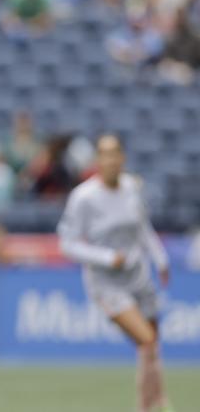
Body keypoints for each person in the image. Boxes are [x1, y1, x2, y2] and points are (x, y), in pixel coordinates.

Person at [57, 135, 175, 412]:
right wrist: (108, 257)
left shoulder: (132, 187)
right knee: (146, 341)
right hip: (106, 283)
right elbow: (67, 244)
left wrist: (160, 258)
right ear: (97, 160)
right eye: (104, 154)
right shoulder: (83, 197)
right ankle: (151, 406)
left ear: (122, 158)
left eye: (115, 153)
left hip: (139, 276)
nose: (110, 160)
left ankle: (153, 400)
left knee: (151, 348)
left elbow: (142, 227)